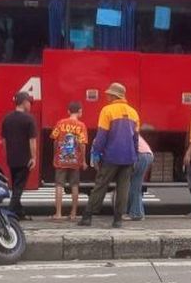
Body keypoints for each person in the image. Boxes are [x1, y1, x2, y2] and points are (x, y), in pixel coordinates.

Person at [79, 83, 139, 228]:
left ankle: (87, 216)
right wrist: (135, 156)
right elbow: (135, 138)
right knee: (123, 188)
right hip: (129, 157)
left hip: (111, 156)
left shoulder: (107, 110)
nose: (106, 96)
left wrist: (96, 153)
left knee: (100, 185)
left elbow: (102, 135)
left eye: (108, 94)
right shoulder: (133, 112)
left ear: (114, 95)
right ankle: (118, 220)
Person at [1, 92, 38, 220]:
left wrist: (7, 154)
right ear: (24, 102)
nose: (30, 105)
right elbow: (32, 140)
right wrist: (33, 157)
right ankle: (9, 213)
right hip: (25, 159)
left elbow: (4, 140)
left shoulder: (7, 118)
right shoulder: (29, 119)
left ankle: (19, 213)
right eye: (29, 102)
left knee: (16, 185)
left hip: (12, 158)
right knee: (18, 188)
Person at [50, 102, 88, 221]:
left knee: (59, 185)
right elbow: (82, 144)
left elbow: (55, 141)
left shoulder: (60, 123)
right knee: (75, 185)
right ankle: (73, 213)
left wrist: (55, 155)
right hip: (75, 160)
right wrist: (83, 160)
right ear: (80, 111)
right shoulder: (81, 125)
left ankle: (58, 213)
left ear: (68, 111)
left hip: (61, 159)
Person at [126, 134, 154, 221]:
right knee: (135, 185)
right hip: (146, 155)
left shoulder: (121, 133)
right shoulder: (129, 130)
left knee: (135, 186)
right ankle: (137, 212)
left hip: (141, 155)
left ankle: (136, 213)